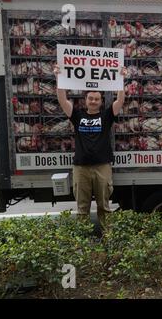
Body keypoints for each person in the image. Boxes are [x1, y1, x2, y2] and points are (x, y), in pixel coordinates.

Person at [53, 65, 127, 231]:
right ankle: (82, 245)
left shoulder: (106, 116)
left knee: (104, 208)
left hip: (102, 166)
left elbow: (120, 101)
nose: (93, 101)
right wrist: (59, 77)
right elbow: (62, 100)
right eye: (90, 98)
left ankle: (109, 240)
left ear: (101, 102)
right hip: (81, 168)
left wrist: (121, 78)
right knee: (82, 210)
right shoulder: (78, 115)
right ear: (85, 100)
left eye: (97, 99)